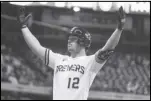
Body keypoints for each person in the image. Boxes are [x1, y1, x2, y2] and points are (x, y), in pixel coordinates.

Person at [17, 6, 126, 100]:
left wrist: (119, 29)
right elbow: (37, 48)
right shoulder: (59, 59)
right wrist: (24, 27)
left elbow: (108, 48)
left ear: (83, 41)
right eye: (69, 38)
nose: (69, 41)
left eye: (73, 39)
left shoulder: (90, 62)